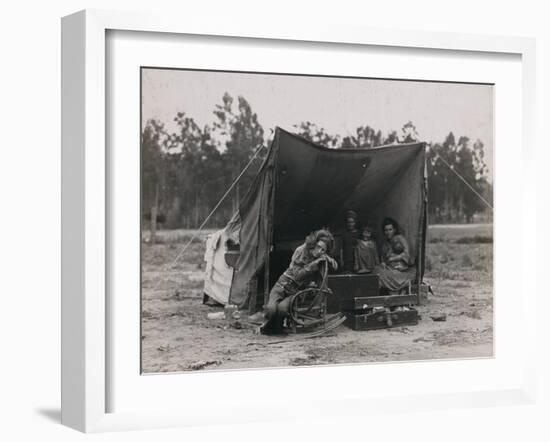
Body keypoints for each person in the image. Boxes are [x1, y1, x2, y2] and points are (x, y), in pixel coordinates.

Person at [260, 229, 338, 335]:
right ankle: (269, 327)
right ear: (313, 244)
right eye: (319, 247)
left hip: (295, 290)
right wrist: (313, 264)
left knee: (282, 309)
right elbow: (297, 275)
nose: (320, 252)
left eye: (323, 250)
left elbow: (332, 268)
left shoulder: (320, 256)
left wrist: (330, 260)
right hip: (282, 285)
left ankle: (278, 328)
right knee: (271, 310)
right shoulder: (301, 251)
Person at [373, 217, 416, 294]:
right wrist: (383, 263)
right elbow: (384, 258)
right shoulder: (385, 244)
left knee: (382, 275)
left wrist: (393, 258)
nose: (388, 232)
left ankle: (403, 283)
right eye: (386, 230)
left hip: (402, 268)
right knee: (376, 271)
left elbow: (406, 254)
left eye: (390, 229)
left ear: (394, 230)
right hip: (390, 268)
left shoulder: (400, 239)